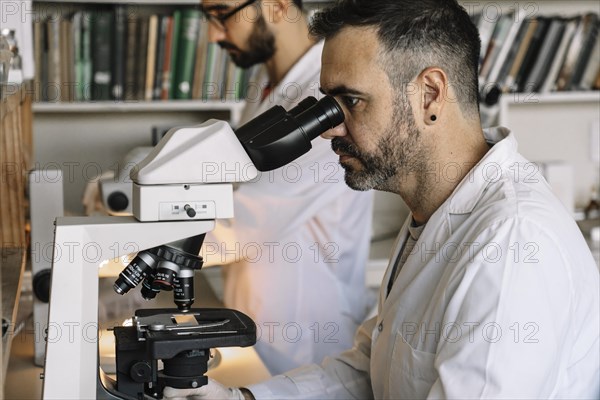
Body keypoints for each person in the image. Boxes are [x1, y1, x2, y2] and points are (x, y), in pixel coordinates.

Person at [166, 0, 600, 398]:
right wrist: (247, 398)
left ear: (429, 95)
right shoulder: (435, 211)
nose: (331, 128)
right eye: (329, 104)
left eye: (351, 102)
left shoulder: (510, 245)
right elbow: (369, 368)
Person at [197, 0, 375, 375]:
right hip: (257, 322)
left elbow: (244, 222)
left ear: (276, 6)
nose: (213, 33)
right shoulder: (265, 84)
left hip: (308, 341)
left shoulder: (328, 102)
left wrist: (129, 235)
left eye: (220, 13)